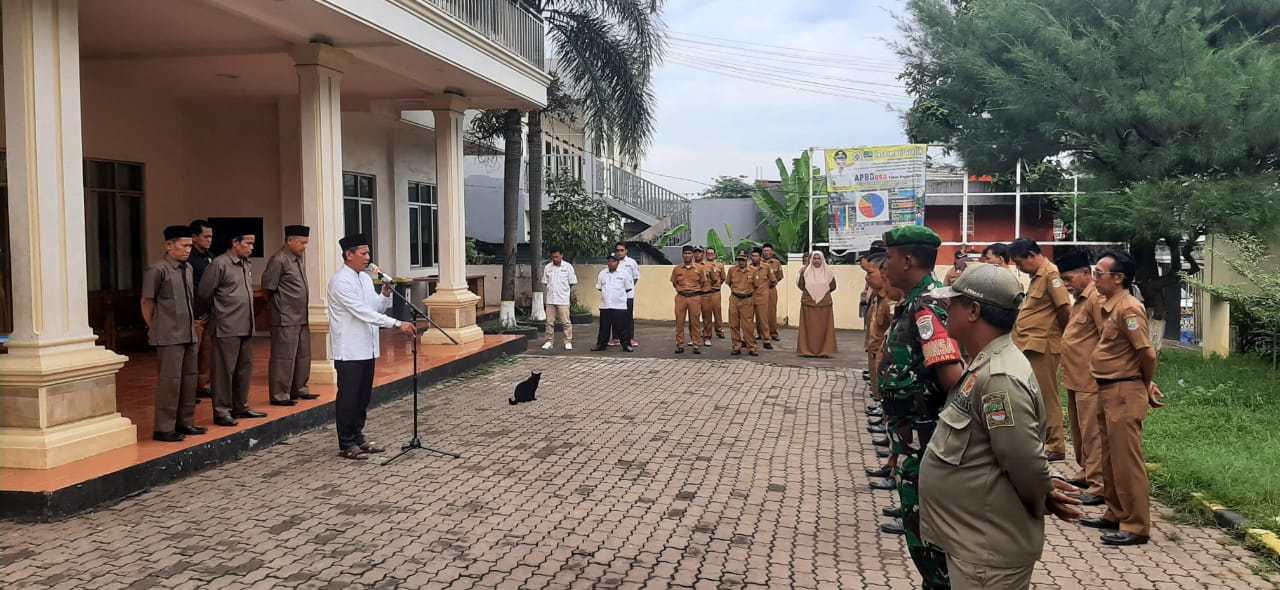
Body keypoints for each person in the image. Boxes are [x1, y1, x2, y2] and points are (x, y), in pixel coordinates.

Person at [920, 264, 1084, 589]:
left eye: (953, 302)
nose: (946, 308)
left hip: (987, 553)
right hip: (975, 544)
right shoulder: (988, 363)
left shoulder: (999, 379)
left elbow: (1023, 461)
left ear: (974, 311)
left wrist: (1042, 494)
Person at [878, 225, 966, 589]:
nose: (886, 266)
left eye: (892, 258)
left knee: (930, 546)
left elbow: (953, 380)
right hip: (914, 443)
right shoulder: (915, 303)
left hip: (928, 445)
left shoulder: (927, 308)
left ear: (908, 260)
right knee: (924, 544)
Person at [1080, 250, 1165, 546]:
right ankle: (1115, 513)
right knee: (1110, 456)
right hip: (1107, 388)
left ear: (1118, 278)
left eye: (1099, 274)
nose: (1095, 279)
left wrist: (1145, 383)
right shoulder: (1110, 306)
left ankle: (1137, 525)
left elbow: (1146, 353)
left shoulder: (1128, 309)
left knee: (1127, 460)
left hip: (1123, 391)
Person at [328, 234, 418, 460]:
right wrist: (398, 323)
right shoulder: (340, 282)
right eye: (363, 253)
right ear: (349, 255)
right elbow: (361, 312)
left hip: (367, 347)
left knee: (362, 397)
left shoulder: (366, 279)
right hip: (349, 349)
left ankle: (358, 437)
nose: (368, 258)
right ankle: (346, 443)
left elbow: (375, 308)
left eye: (368, 253)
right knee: (348, 397)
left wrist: (386, 294)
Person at [1008, 237, 1072, 461]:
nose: (1019, 267)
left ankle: (1056, 445)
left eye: (1019, 262)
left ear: (1032, 256)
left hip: (1043, 346)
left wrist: (1066, 337)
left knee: (1047, 396)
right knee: (1034, 396)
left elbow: (1065, 308)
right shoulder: (1037, 276)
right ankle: (1042, 439)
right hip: (1029, 344)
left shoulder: (1051, 275)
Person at [141, 225, 205, 442]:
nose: (188, 249)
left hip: (188, 333)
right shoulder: (157, 269)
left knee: (189, 380)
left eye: (190, 245)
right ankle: (164, 428)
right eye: (184, 245)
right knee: (170, 382)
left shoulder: (187, 269)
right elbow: (147, 302)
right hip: (168, 335)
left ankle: (186, 422)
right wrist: (154, 326)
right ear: (169, 245)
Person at [197, 231, 264, 427]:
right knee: (223, 371)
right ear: (235, 243)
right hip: (226, 325)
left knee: (244, 369)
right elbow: (204, 293)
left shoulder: (245, 263)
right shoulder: (220, 264)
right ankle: (222, 411)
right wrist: (218, 312)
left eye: (253, 244)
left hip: (246, 324)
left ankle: (240, 406)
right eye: (248, 243)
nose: (251, 248)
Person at [1056, 250, 1106, 506]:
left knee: (1092, 433)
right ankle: (1086, 472)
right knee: (1078, 433)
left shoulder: (1096, 299)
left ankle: (1099, 485)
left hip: (1090, 378)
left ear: (1087, 274)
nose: (1066, 283)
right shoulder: (1080, 300)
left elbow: (1106, 337)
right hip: (1074, 377)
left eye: (1069, 277)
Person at [261, 225, 317, 407]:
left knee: (302, 355)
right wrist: (278, 308)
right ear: (290, 240)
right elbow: (268, 288)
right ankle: (280, 394)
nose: (304, 246)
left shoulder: (296, 259)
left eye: (306, 243)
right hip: (285, 317)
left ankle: (299, 389)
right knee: (283, 357)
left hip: (301, 316)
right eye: (302, 242)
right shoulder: (279, 260)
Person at [189, 219, 216, 400]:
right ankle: (189, 390)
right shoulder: (188, 259)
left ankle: (203, 386)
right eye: (205, 237)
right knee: (193, 354)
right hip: (194, 313)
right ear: (194, 238)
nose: (209, 240)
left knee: (207, 353)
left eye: (211, 237)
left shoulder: (209, 256)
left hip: (209, 312)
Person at [796, 251, 837, 358]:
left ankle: (824, 351)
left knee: (824, 329)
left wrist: (821, 292)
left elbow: (832, 287)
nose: (816, 261)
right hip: (808, 303)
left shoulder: (828, 272)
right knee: (808, 329)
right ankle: (806, 351)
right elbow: (801, 285)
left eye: (819, 259)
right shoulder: (805, 272)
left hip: (824, 304)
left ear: (822, 259)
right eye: (814, 258)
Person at [592, 254, 633, 352]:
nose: (611, 263)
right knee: (604, 328)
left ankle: (626, 345)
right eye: (609, 261)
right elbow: (600, 288)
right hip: (605, 305)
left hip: (619, 305)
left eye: (613, 261)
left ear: (618, 262)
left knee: (622, 327)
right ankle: (601, 345)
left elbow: (628, 288)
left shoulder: (624, 274)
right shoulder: (602, 273)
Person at [671, 245, 708, 354]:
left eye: (689, 253)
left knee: (695, 322)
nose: (687, 255)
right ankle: (680, 345)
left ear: (693, 255)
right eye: (685, 253)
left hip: (695, 297)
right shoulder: (677, 269)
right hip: (681, 297)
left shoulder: (699, 269)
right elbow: (674, 283)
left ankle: (696, 345)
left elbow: (703, 282)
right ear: (682, 254)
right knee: (679, 322)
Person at [541, 247, 579, 351]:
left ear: (562, 256)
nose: (555, 259)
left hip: (563, 299)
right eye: (553, 257)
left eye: (557, 257)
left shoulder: (568, 267)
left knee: (566, 322)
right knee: (549, 322)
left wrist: (563, 291)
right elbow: (545, 282)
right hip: (550, 299)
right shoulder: (548, 267)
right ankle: (549, 341)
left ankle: (568, 341)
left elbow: (572, 282)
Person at [725, 251, 761, 356]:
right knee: (734, 324)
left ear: (747, 260)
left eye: (743, 260)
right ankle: (736, 346)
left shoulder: (753, 271)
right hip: (735, 298)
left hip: (747, 299)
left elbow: (756, 285)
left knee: (748, 325)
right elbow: (728, 283)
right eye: (739, 260)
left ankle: (752, 347)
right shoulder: (732, 270)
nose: (741, 262)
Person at [610, 242, 640, 348]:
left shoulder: (631, 262)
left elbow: (635, 277)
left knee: (628, 317)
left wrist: (628, 288)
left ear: (626, 251)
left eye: (622, 250)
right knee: (615, 317)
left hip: (628, 295)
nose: (619, 252)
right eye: (617, 250)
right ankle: (615, 338)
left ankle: (630, 338)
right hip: (615, 295)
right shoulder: (613, 262)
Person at [749, 248, 774, 350]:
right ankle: (748, 339)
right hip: (749, 297)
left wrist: (765, 287)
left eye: (756, 256)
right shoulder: (748, 268)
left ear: (760, 257)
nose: (754, 258)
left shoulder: (767, 267)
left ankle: (766, 340)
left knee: (763, 320)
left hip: (762, 296)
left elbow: (773, 280)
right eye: (753, 256)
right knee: (748, 320)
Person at [702, 247, 727, 343]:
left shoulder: (720, 265)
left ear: (715, 255)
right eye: (708, 253)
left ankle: (719, 330)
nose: (710, 255)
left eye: (712, 253)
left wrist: (717, 285)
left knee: (717, 312)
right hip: (705, 292)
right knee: (706, 314)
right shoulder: (702, 265)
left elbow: (723, 278)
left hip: (715, 292)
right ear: (705, 254)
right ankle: (706, 331)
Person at [761, 244, 784, 342]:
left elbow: (779, 276)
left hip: (771, 289)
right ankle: (760, 333)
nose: (766, 252)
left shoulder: (776, 263)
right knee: (760, 312)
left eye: (768, 250)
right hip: (760, 291)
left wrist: (773, 283)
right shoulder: (758, 262)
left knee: (771, 312)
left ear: (772, 252)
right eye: (765, 251)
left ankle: (773, 333)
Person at [692, 246, 712, 347]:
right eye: (695, 252)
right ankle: (694, 337)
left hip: (705, 294)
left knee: (707, 317)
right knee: (694, 317)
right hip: (694, 295)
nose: (697, 254)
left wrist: (707, 289)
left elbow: (715, 280)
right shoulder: (690, 266)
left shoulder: (708, 266)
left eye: (699, 252)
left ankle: (707, 337)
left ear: (703, 254)